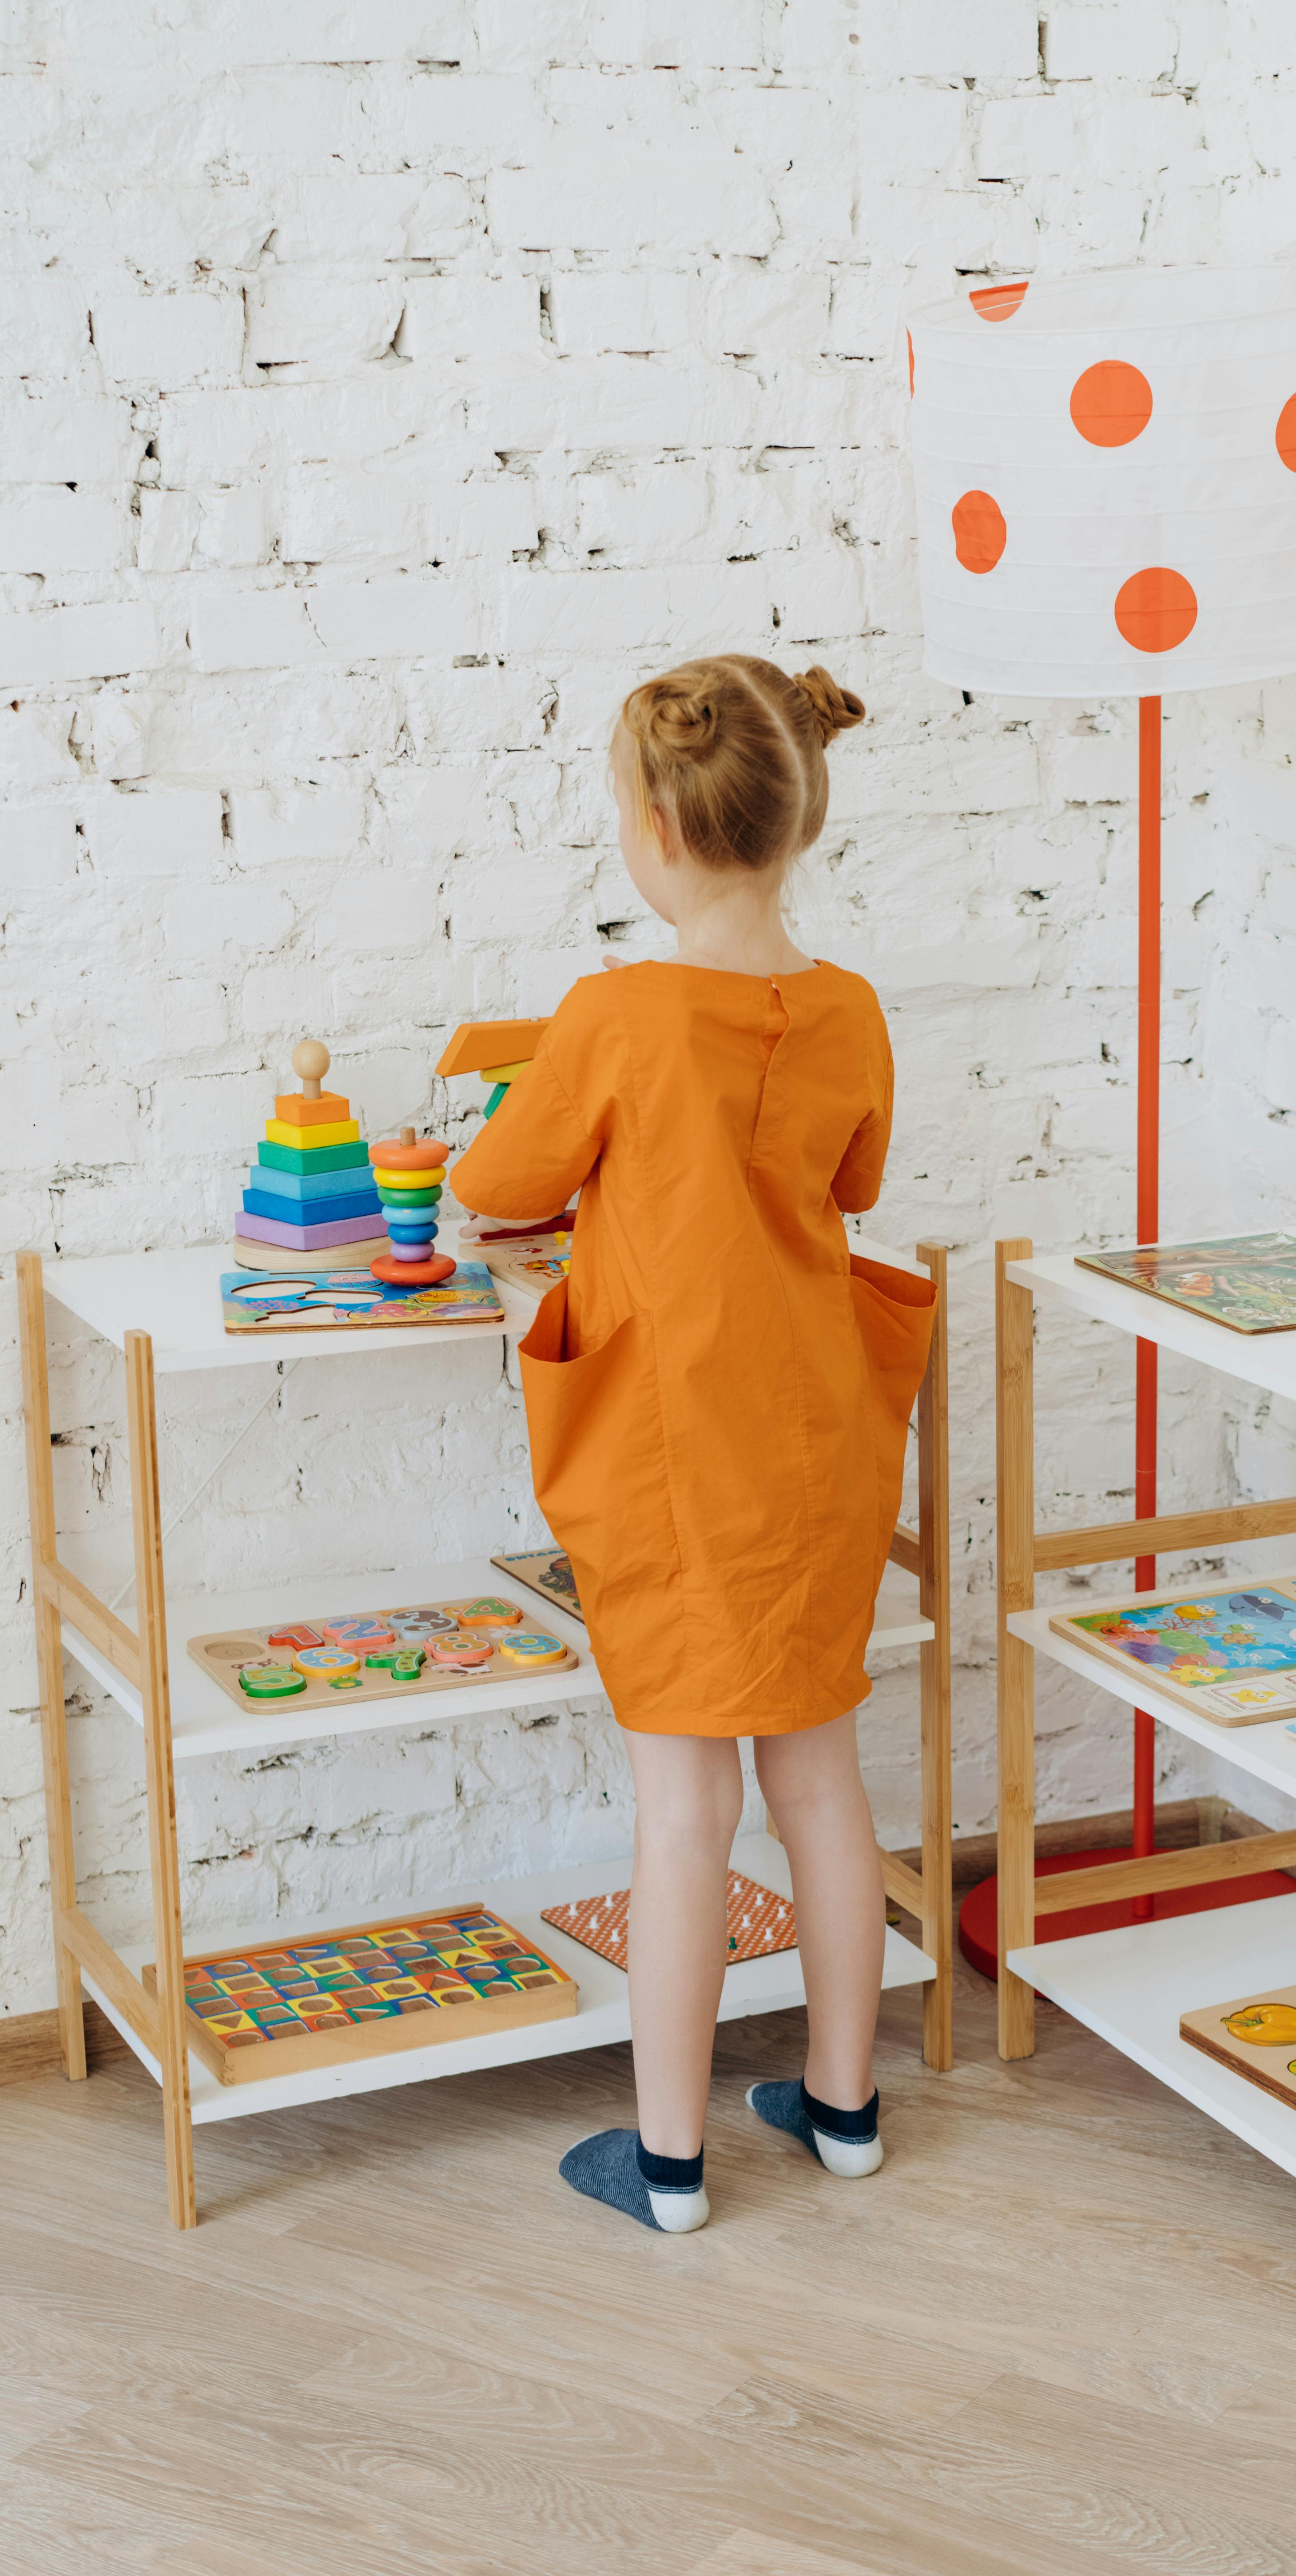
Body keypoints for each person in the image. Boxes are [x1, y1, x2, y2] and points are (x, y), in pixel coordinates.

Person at [452, 654, 934, 2234]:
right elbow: (852, 1185)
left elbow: (493, 1189)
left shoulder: (615, 1016)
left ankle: (667, 2163)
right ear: (796, 820)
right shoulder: (850, 1009)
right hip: (821, 1439)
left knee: (683, 1809)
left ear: (655, 828)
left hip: (680, 1455)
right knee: (822, 1786)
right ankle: (845, 2111)